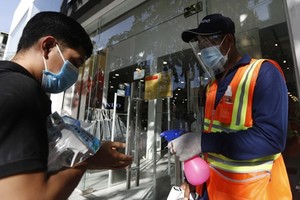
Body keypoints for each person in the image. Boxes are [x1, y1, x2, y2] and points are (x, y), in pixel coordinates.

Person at [0, 11, 132, 200]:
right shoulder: (23, 93)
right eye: (74, 63)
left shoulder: (6, 82)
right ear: (47, 46)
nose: (75, 74)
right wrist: (85, 157)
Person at [168, 13, 292, 199]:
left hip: (254, 192)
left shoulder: (263, 72)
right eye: (200, 44)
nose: (202, 49)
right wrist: (192, 181)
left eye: (208, 42)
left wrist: (202, 142)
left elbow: (272, 138)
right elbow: (211, 137)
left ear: (229, 41)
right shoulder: (211, 87)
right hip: (212, 189)